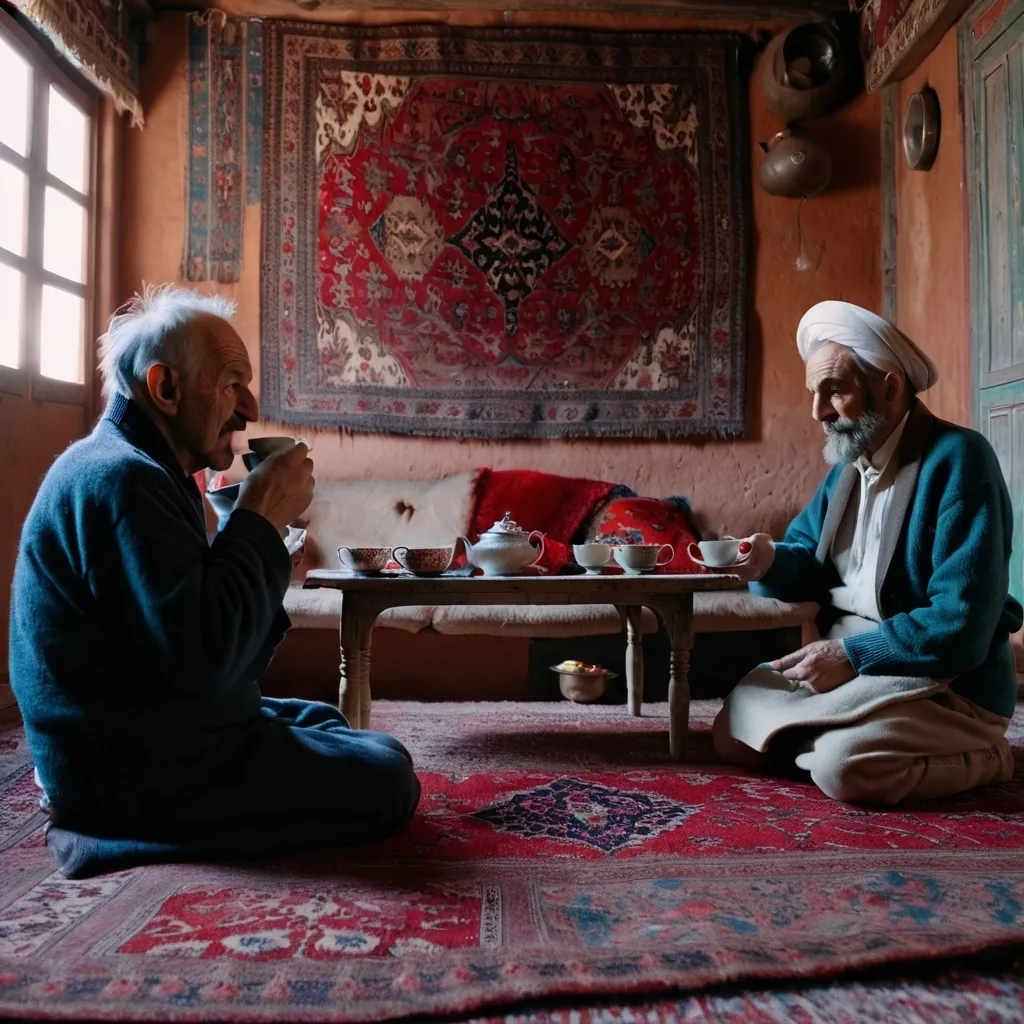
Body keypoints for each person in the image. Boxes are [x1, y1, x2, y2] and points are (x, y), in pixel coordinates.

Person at [9, 285, 420, 877]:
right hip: (127, 768)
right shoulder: (119, 479)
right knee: (385, 774)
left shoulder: (144, 468)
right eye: (232, 383)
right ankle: (111, 837)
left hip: (158, 725)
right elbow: (208, 659)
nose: (249, 408)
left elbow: (210, 657)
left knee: (328, 722)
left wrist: (257, 534)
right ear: (165, 388)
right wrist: (257, 518)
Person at [713, 300, 1022, 805]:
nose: (818, 411)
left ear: (891, 386)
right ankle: (841, 738)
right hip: (850, 666)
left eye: (834, 390)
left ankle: (987, 754)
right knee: (732, 731)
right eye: (814, 392)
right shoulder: (847, 466)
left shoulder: (960, 461)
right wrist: (767, 560)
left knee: (844, 770)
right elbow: (810, 562)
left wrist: (852, 655)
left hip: (940, 679)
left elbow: (961, 622)